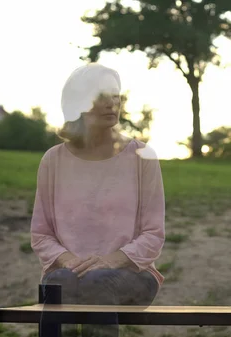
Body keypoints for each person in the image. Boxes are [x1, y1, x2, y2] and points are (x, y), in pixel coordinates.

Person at [30, 63, 165, 337]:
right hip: (66, 273)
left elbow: (153, 235)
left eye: (115, 95)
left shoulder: (142, 156)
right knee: (58, 283)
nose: (111, 102)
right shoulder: (53, 160)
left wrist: (109, 261)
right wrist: (69, 261)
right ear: (78, 102)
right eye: (101, 95)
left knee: (96, 282)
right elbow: (41, 235)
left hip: (132, 276)